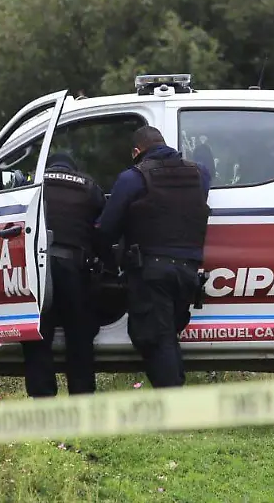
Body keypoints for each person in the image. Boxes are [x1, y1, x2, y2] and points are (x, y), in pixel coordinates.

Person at [94, 126, 211, 388]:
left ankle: (173, 406)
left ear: (137, 152)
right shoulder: (199, 172)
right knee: (167, 334)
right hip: (189, 272)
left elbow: (107, 227)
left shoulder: (133, 177)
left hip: (151, 271)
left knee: (154, 337)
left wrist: (107, 260)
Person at [20, 152, 107, 398]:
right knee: (79, 335)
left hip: (38, 268)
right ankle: (81, 399)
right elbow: (105, 225)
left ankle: (43, 398)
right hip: (74, 268)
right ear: (73, 168)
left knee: (37, 335)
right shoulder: (89, 186)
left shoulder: (33, 186)